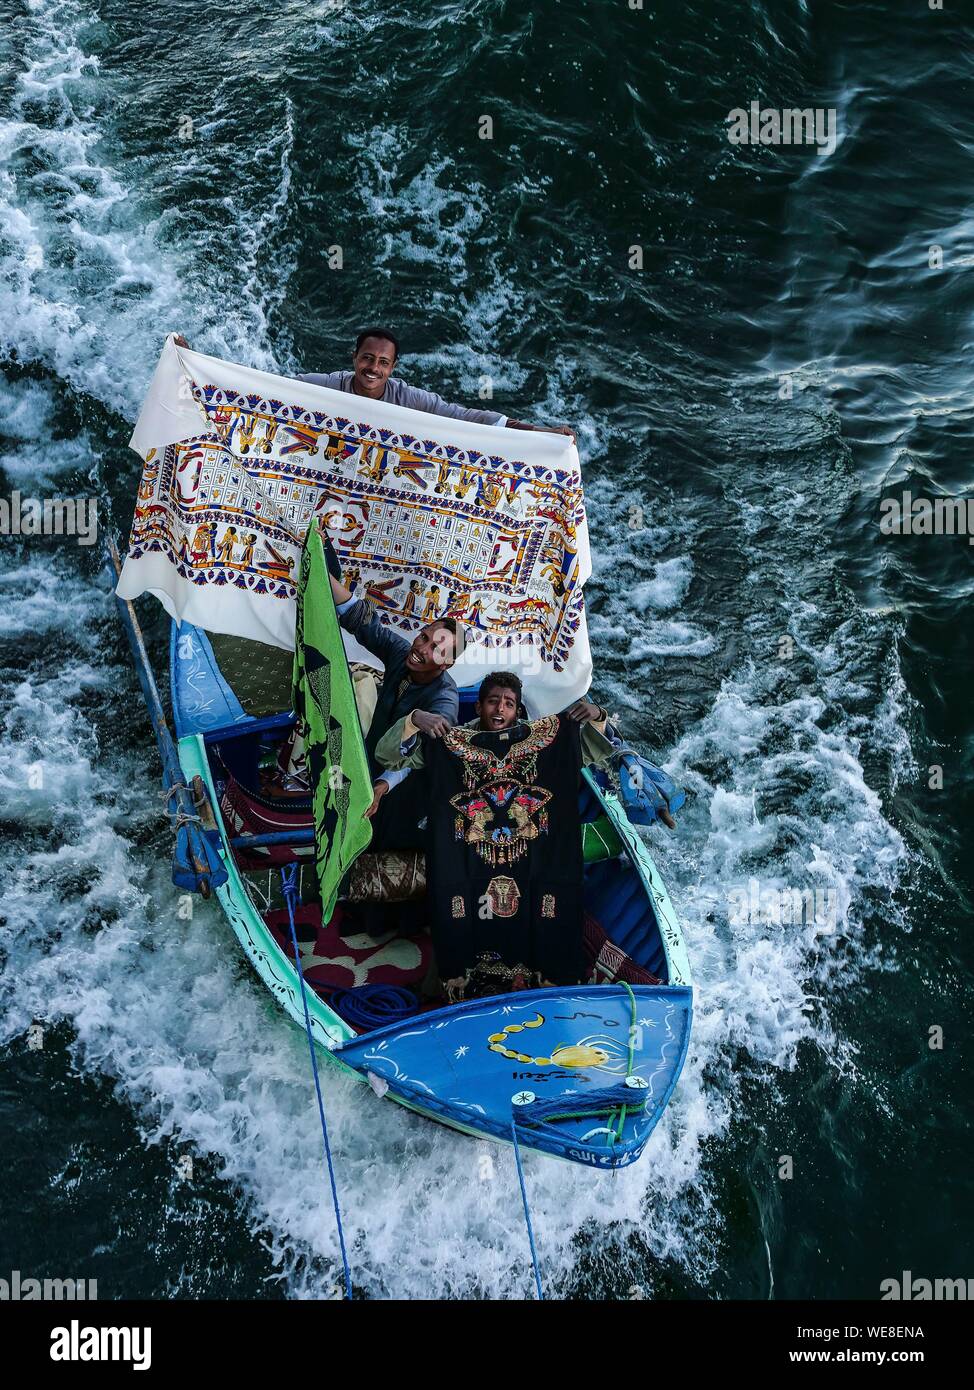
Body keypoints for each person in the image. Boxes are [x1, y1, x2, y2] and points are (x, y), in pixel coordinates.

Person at [372, 671, 614, 995]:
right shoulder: (449, 742)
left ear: (518, 711)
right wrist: (414, 720)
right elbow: (385, 755)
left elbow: (596, 749)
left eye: (509, 704)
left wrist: (597, 716)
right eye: (492, 701)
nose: (500, 709)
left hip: (524, 854)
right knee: (458, 906)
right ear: (479, 707)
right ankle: (457, 980)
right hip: (467, 854)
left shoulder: (541, 743)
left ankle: (534, 978)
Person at [171, 328, 575, 439]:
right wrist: (196, 363)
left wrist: (540, 432)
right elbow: (265, 385)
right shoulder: (329, 384)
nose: (373, 368)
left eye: (382, 363)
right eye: (367, 358)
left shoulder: (407, 398)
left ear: (392, 368)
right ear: (354, 358)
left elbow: (471, 417)